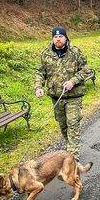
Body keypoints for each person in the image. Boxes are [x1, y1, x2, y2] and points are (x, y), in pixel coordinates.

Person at [34, 25, 91, 158]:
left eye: (61, 36)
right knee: (63, 127)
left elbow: (85, 69)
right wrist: (38, 87)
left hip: (73, 97)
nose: (58, 39)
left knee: (73, 125)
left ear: (66, 38)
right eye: (55, 37)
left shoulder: (75, 52)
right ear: (53, 39)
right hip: (57, 97)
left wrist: (73, 81)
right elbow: (40, 72)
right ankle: (70, 147)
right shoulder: (46, 54)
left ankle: (73, 158)